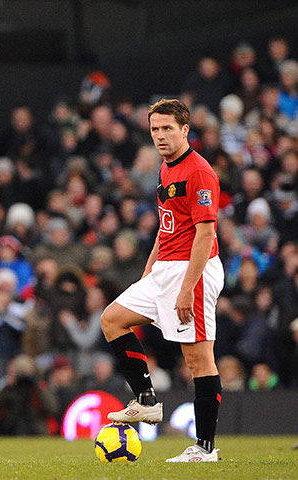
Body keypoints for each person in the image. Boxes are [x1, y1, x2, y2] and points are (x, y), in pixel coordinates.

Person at [100, 99, 224, 462]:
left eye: (167, 128)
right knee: (112, 319)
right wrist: (150, 267)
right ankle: (147, 400)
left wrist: (187, 287)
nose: (160, 135)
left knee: (198, 359)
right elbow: (168, 222)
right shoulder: (166, 168)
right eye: (155, 129)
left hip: (193, 270)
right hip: (165, 268)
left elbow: (204, 233)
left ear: (185, 130)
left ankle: (205, 448)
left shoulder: (199, 172)